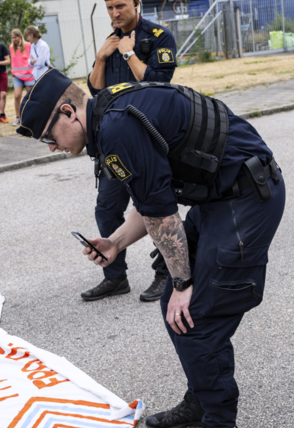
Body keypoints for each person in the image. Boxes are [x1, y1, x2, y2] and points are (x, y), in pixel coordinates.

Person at [18, 70, 285, 428]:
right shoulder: (110, 116)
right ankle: (201, 399)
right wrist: (116, 243)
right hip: (220, 196)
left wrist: (183, 283)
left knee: (196, 316)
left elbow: (163, 216)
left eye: (48, 137)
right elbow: (151, 199)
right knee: (173, 307)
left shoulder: (118, 126)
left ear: (68, 112)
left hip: (246, 197)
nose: (50, 147)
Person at [83, 0, 178, 302]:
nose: (114, 13)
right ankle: (115, 277)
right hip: (115, 142)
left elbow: (159, 83)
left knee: (154, 206)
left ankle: (168, 273)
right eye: (109, 7)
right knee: (107, 208)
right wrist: (101, 58)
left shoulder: (159, 36)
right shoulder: (111, 38)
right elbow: (97, 91)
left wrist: (128, 52)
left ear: (137, 3)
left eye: (120, 6)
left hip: (149, 140)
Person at [9, 29, 34, 124]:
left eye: (15, 37)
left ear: (20, 36)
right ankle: (18, 117)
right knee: (17, 96)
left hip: (28, 75)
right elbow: (13, 59)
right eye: (12, 38)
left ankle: (31, 116)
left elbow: (32, 58)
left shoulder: (28, 45)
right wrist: (12, 69)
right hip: (17, 75)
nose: (14, 39)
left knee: (29, 97)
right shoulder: (11, 47)